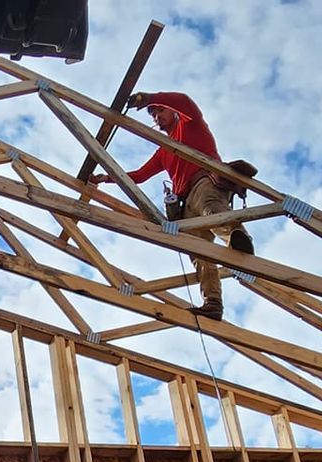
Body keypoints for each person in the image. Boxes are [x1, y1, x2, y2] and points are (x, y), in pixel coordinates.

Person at [93, 91, 254, 322]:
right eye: (153, 114)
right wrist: (106, 178)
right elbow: (139, 175)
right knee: (199, 254)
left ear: (173, 111)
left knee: (213, 212)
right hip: (184, 203)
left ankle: (239, 242)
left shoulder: (191, 126)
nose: (156, 117)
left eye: (160, 110)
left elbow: (186, 101)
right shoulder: (163, 151)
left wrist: (149, 98)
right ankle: (212, 303)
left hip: (204, 182)